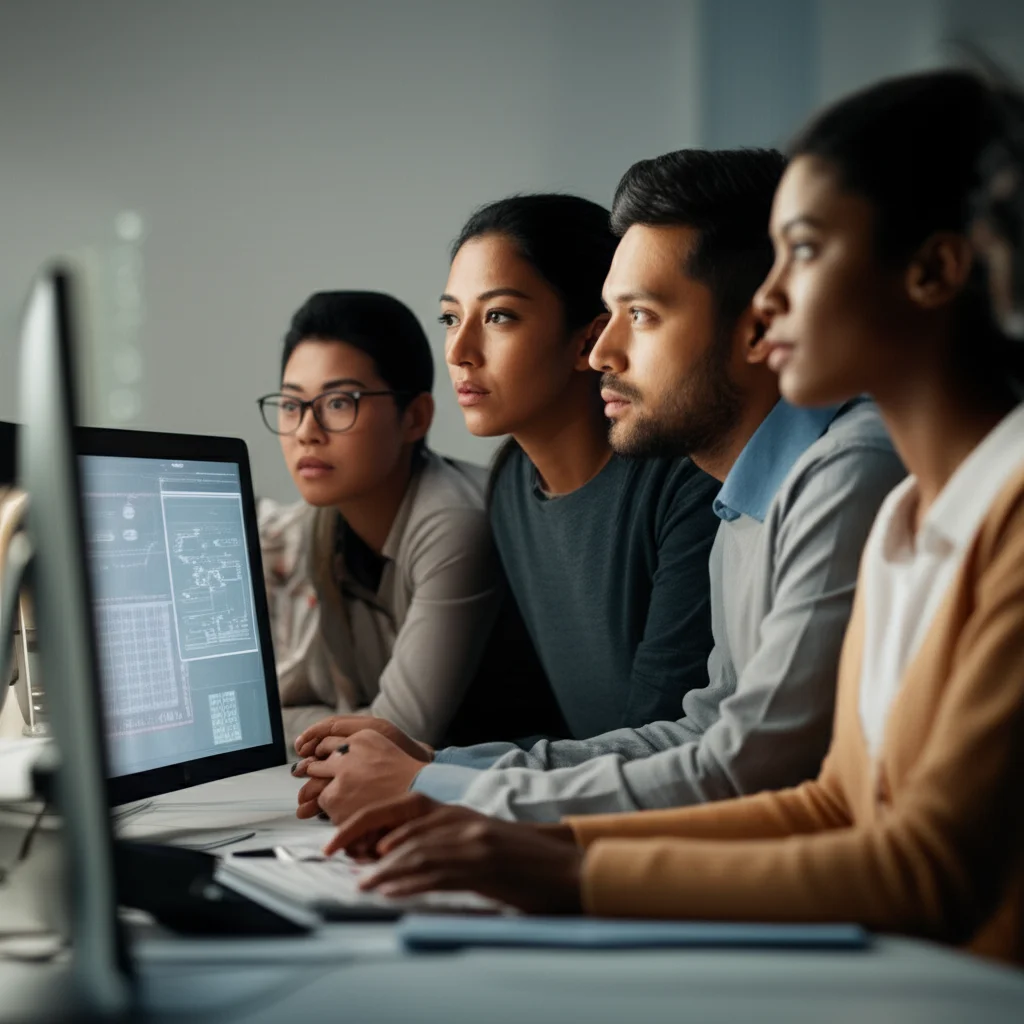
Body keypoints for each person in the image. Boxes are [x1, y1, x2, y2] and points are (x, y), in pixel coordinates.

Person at [328, 70, 1024, 967]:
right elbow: (825, 799)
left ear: (933, 270)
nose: (769, 302)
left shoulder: (901, 484)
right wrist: (517, 831)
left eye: (802, 253)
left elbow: (916, 863)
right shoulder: (894, 515)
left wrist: (550, 858)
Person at [295, 149, 905, 825]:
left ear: (760, 328)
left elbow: (750, 765)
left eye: (639, 315)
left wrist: (437, 790)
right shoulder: (739, 493)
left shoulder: (847, 471)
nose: (601, 352)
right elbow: (699, 733)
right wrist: (439, 769)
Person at [291, 194, 723, 819]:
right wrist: (430, 762)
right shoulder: (512, 485)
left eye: (498, 318)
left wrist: (435, 774)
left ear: (590, 339)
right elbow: (561, 733)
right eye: (449, 318)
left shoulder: (685, 482)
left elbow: (665, 742)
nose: (460, 350)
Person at [257, 290, 506, 749]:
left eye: (338, 402)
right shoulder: (318, 525)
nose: (307, 432)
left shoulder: (454, 524)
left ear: (414, 418)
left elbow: (395, 737)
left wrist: (297, 723)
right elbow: (258, 711)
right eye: (292, 406)